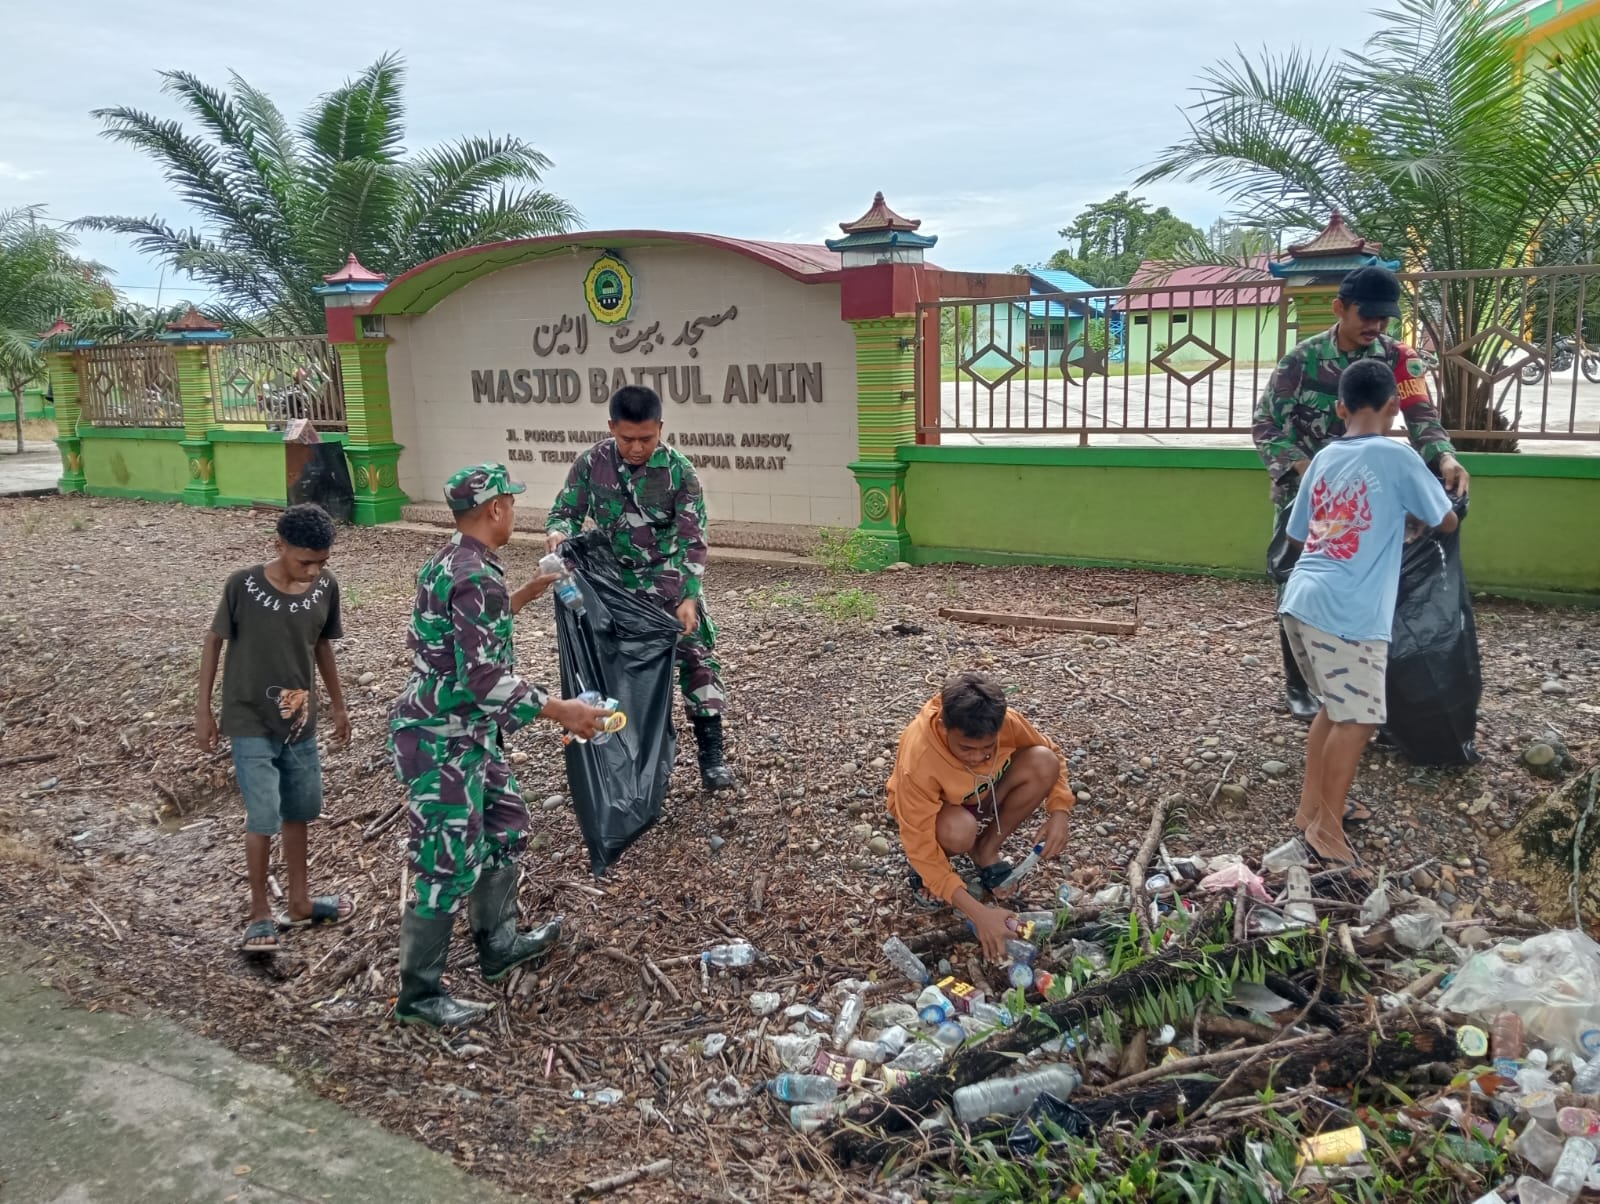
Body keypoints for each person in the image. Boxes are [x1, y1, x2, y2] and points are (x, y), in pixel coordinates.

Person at [388, 464, 611, 1028]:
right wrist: (566, 711)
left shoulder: (454, 562)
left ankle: (500, 942)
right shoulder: (472, 575)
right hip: (443, 738)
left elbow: (466, 633)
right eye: (510, 502)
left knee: (506, 826)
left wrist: (530, 591)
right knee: (444, 861)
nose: (513, 510)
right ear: (494, 510)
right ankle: (419, 994)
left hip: (472, 735)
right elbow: (484, 679)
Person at [1255, 265, 1469, 720]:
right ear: (1340, 309)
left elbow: (1421, 417)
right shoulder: (1302, 360)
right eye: (1365, 316)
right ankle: (1301, 682)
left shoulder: (1400, 359)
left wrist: (1445, 458)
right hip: (1309, 497)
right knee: (1298, 581)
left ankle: (1366, 677)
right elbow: (1265, 424)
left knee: (1370, 585)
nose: (1374, 327)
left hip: (1373, 500)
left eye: (1384, 319)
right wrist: (1308, 469)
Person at [1280, 359, 1458, 868]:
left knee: (1333, 710)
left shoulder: (1323, 457)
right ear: (1395, 406)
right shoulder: (1398, 458)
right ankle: (1327, 833)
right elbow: (1443, 520)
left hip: (1301, 599)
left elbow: (1297, 533)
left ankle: (1309, 813)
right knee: (1357, 720)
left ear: (1340, 408)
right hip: (1349, 609)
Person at [545, 385, 735, 791]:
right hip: (616, 593)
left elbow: (693, 540)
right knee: (620, 674)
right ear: (611, 427)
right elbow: (566, 511)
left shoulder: (680, 472)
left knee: (696, 661)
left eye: (646, 439)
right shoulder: (591, 463)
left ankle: (712, 756)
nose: (636, 448)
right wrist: (558, 534)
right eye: (627, 438)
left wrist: (688, 598)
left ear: (660, 428)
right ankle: (632, 761)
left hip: (670, 587)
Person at [196, 503, 354, 955]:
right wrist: (203, 709)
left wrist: (339, 705)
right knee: (262, 814)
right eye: (305, 560)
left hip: (299, 720)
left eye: (322, 561)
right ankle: (260, 912)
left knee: (300, 809)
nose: (314, 570)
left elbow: (322, 643)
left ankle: (301, 902)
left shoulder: (325, 586)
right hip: (249, 718)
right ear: (279, 545)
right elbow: (213, 642)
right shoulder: (242, 586)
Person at [886, 673, 1075, 961]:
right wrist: (979, 913)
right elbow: (917, 838)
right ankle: (934, 871)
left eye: (988, 749)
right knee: (958, 831)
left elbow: (1052, 752)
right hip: (942, 814)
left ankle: (984, 850)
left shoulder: (1007, 721)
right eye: (966, 748)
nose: (977, 757)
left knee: (1042, 762)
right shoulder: (920, 758)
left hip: (982, 792)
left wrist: (1060, 810)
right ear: (944, 727)